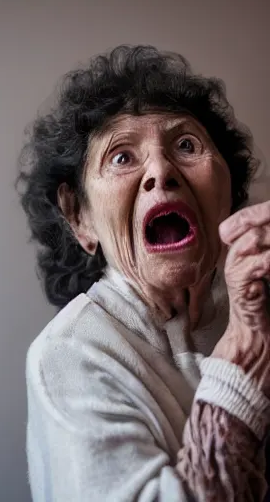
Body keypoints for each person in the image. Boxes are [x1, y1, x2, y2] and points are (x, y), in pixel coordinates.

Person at [17, 45, 270, 501]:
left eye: (186, 145)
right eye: (121, 157)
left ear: (228, 193)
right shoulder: (69, 355)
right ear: (79, 217)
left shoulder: (260, 300)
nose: (161, 171)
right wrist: (244, 361)